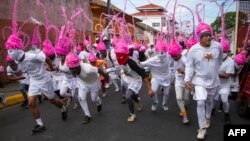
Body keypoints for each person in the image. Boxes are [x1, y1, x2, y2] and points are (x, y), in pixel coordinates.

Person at [6, 35, 68, 135]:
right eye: (9, 49)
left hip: (44, 80)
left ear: (17, 49)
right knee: (31, 103)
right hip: (34, 81)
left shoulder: (32, 56)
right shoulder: (16, 60)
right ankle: (40, 125)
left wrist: (51, 68)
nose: (9, 51)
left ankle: (63, 107)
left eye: (11, 49)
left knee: (52, 101)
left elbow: (47, 59)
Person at [184, 22, 223, 139]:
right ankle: (201, 129)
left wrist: (214, 71)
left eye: (209, 35)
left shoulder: (217, 46)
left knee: (210, 102)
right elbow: (189, 66)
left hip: (213, 81)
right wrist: (187, 79)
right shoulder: (193, 50)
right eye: (205, 35)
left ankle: (208, 117)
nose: (208, 37)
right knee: (201, 102)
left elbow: (220, 60)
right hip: (199, 80)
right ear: (200, 38)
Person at [115, 40, 154, 122]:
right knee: (132, 95)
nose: (118, 57)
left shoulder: (132, 63)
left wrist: (149, 89)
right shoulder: (119, 61)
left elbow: (143, 75)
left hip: (135, 81)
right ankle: (137, 100)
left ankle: (132, 114)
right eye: (117, 56)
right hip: (126, 80)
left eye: (120, 56)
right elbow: (120, 69)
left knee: (128, 96)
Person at [65, 52, 105, 124]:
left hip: (94, 83)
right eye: (71, 69)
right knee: (81, 99)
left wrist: (107, 77)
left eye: (74, 69)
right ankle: (87, 115)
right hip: (83, 83)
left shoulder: (88, 69)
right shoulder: (70, 67)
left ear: (78, 66)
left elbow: (99, 70)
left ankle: (99, 103)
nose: (72, 71)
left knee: (93, 99)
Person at [139, 40, 172, 112]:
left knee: (166, 93)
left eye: (162, 52)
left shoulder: (169, 56)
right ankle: (155, 102)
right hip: (156, 78)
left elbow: (177, 54)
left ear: (165, 51)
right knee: (153, 91)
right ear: (156, 52)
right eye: (158, 52)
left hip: (166, 78)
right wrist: (137, 62)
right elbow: (142, 63)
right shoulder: (153, 60)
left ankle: (164, 103)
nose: (160, 54)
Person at [168, 41, 190, 124]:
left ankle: (184, 107)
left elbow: (191, 71)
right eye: (172, 56)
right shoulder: (172, 59)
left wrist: (184, 71)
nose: (174, 58)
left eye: (175, 56)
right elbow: (171, 70)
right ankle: (185, 116)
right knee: (179, 98)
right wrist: (171, 81)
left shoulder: (184, 59)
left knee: (186, 99)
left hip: (187, 81)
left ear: (179, 52)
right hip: (178, 81)